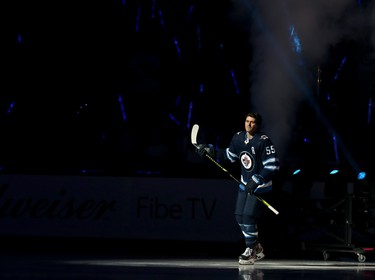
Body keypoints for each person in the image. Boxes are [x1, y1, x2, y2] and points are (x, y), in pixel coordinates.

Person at [196, 112, 280, 265]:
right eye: (247, 121)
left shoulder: (264, 141)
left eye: (252, 122)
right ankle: (256, 248)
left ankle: (250, 251)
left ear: (258, 125)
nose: (249, 124)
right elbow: (230, 156)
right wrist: (211, 150)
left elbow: (272, 166)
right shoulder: (238, 137)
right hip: (244, 184)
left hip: (260, 187)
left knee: (248, 216)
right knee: (239, 216)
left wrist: (257, 180)